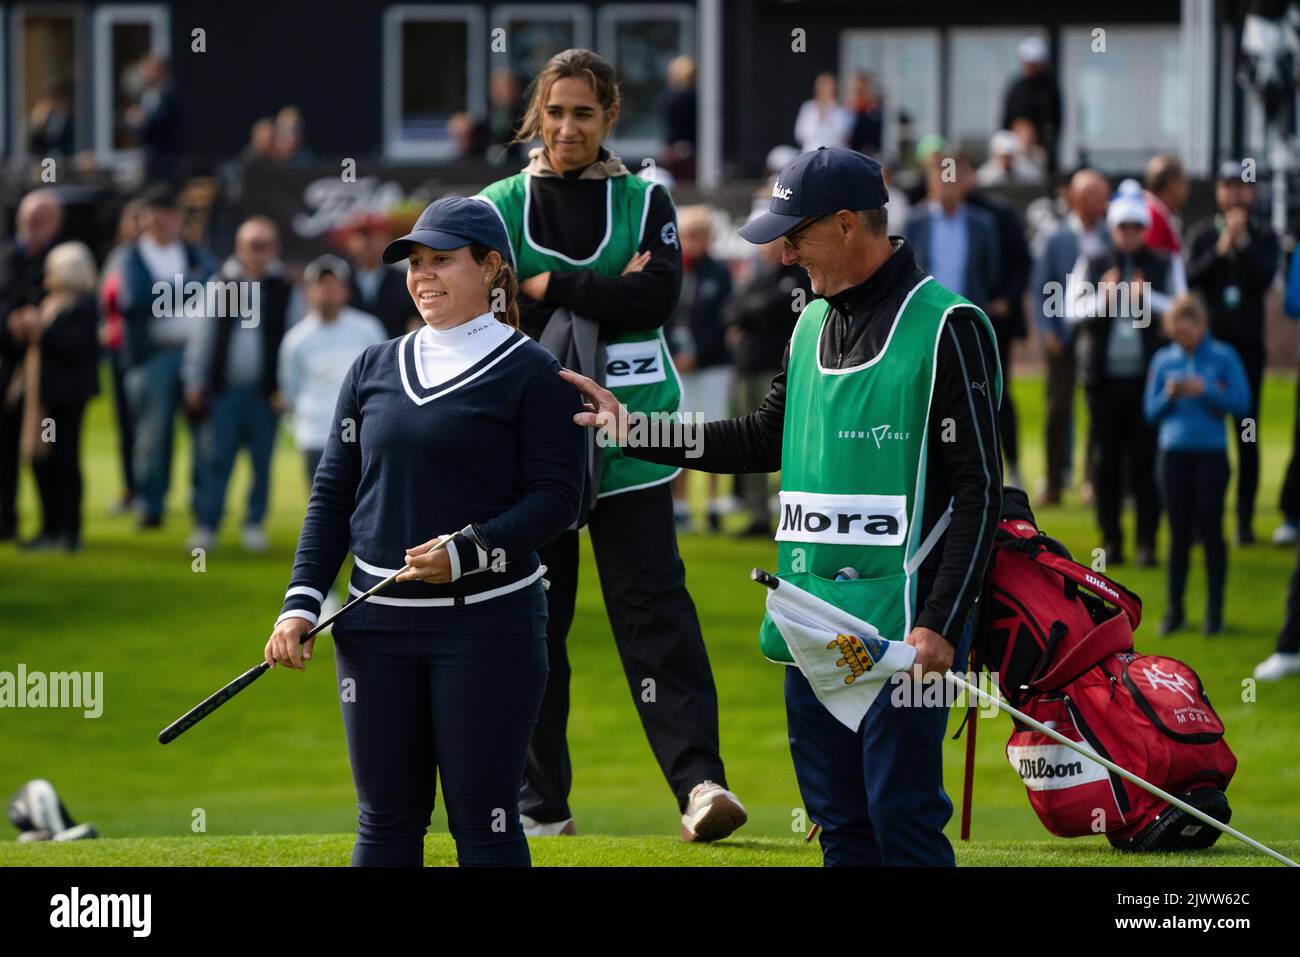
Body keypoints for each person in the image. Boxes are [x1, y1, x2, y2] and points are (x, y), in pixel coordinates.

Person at [565, 147, 1003, 866]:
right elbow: (762, 435)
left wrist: (941, 624)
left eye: (795, 235)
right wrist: (637, 430)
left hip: (903, 633)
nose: (786, 252)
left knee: (904, 824)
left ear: (844, 225)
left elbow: (982, 489)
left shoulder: (948, 325)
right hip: (810, 622)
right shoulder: (809, 325)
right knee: (840, 827)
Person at [263, 197, 586, 867]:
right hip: (372, 629)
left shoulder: (535, 372)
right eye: (415, 263)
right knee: (384, 823)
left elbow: (559, 499)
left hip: (488, 627)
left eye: (441, 260)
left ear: (492, 266)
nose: (422, 276)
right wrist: (300, 602)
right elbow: (333, 494)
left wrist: (468, 551)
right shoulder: (372, 366)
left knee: (486, 824)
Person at [477, 48, 745, 841]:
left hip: (631, 441)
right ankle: (540, 804)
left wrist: (548, 286)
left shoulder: (646, 197)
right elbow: (490, 307)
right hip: (536, 450)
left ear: (610, 117)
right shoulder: (497, 203)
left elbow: (657, 297)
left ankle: (701, 786)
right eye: (555, 111)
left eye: (584, 113)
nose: (567, 127)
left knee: (656, 615)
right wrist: (604, 289)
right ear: (536, 114)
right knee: (534, 622)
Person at [1069, 180, 1182, 567]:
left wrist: (1145, 297)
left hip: (1148, 380)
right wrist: (1105, 297)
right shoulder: (1095, 261)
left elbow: (1181, 311)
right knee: (1106, 462)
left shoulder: (1165, 262)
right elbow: (1070, 311)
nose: (1130, 234)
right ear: (1114, 228)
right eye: (1123, 227)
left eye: (1136, 227)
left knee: (1146, 460)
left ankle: (1148, 541)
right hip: (1103, 379)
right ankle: (1111, 541)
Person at [182, 216, 293, 552]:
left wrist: (287, 388)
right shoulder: (223, 284)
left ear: (274, 249)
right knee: (215, 460)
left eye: (264, 245)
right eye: (252, 245)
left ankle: (253, 523)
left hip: (266, 394)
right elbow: (202, 336)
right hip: (223, 392)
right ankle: (207, 525)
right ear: (239, 247)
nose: (258, 252)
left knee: (262, 462)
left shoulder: (283, 288)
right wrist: (195, 380)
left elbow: (293, 340)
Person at [1184, 160, 1280, 545]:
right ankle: (1200, 521)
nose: (1234, 193)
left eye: (1241, 186)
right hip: (1208, 352)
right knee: (1203, 436)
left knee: (1247, 434)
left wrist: (1241, 246)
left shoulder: (1263, 235)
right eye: (1227, 186)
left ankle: (1243, 519)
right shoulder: (1204, 234)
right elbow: (1189, 278)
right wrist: (1222, 250)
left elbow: (1265, 278)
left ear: (1251, 192)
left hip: (1247, 354)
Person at [1144, 293, 1250, 635]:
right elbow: (1150, 412)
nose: (1183, 337)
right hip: (1173, 455)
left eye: (1188, 330)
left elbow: (1241, 402)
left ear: (1201, 326)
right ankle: (1175, 610)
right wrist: (1169, 396)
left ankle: (1214, 612)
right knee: (1177, 533)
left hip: (1210, 455)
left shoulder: (1223, 356)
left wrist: (1206, 390)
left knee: (1211, 530)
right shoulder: (1163, 360)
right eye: (1177, 331)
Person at [117, 183, 216, 529]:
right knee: (153, 435)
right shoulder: (131, 256)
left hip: (194, 356)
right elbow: (133, 301)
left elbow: (217, 288)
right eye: (157, 214)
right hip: (152, 356)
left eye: (171, 214)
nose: (165, 221)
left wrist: (166, 289)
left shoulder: (195, 253)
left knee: (203, 432)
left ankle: (202, 509)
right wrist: (186, 286)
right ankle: (151, 505)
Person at [9, 242, 100, 552]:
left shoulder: (81, 308)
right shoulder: (51, 303)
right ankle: (50, 526)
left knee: (63, 461)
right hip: (43, 402)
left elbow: (73, 347)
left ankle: (68, 530)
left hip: (63, 402)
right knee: (42, 461)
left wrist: (41, 330)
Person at [1031, 168, 1110, 505]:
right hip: (1062, 337)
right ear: (1076, 199)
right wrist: (1047, 329)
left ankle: (1093, 480)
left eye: (1103, 194)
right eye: (1094, 194)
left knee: (1097, 408)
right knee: (1057, 409)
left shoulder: (1112, 236)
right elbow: (1043, 287)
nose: (1101, 201)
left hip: (1098, 335)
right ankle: (1054, 479)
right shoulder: (1057, 238)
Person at [724, 237, 808, 536]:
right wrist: (751, 313)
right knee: (751, 439)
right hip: (749, 367)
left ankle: (792, 513)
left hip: (778, 368)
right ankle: (758, 513)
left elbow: (779, 308)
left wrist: (751, 314)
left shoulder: (797, 276)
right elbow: (734, 309)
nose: (768, 249)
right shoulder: (759, 275)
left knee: (786, 442)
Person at [278, 255, 386, 487]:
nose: (328, 292)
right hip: (315, 433)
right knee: (322, 502)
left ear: (345, 290)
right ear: (309, 291)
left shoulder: (368, 329)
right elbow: (290, 388)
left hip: (358, 432)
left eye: (334, 285)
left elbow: (382, 378)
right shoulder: (297, 339)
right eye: (321, 286)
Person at [0, 189, 63, 542]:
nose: (31, 226)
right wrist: (11, 323)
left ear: (55, 222)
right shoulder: (7, 257)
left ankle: (52, 526)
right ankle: (5, 521)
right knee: (4, 451)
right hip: (9, 371)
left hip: (47, 377)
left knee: (46, 450)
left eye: (39, 220)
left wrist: (37, 323)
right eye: (27, 219)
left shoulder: (64, 259)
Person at [668, 205, 733, 531]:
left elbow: (723, 321)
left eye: (699, 235)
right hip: (678, 367)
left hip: (712, 366)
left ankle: (713, 504)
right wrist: (676, 356)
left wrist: (699, 354)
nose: (692, 241)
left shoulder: (719, 273)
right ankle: (679, 504)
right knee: (682, 434)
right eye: (687, 235)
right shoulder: (671, 271)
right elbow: (664, 319)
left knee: (713, 433)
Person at [99, 199, 147, 516]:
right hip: (118, 351)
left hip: (145, 351)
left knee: (151, 426)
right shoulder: (117, 258)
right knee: (126, 425)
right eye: (132, 220)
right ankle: (131, 488)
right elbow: (104, 299)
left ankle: (152, 491)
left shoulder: (152, 260)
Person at [344, 213, 417, 338]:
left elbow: (414, 318)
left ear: (386, 239)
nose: (366, 243)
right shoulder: (342, 279)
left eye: (373, 236)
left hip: (393, 351)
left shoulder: (403, 279)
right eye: (361, 236)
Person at [1001, 37, 1061, 175]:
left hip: (1039, 150)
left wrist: (1043, 144)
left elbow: (1054, 121)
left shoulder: (1049, 88)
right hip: (1015, 146)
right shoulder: (1017, 87)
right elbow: (1006, 118)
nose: (1031, 67)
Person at [1143, 154, 1190, 258]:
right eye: (1183, 182)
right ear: (1172, 184)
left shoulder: (1158, 212)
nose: (1186, 188)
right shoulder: (1153, 216)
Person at [794, 73, 853, 153]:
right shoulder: (808, 107)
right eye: (825, 88)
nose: (828, 92)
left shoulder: (842, 109)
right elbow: (801, 134)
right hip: (811, 152)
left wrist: (830, 112)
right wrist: (819, 116)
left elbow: (844, 133)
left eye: (831, 89)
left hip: (836, 153)